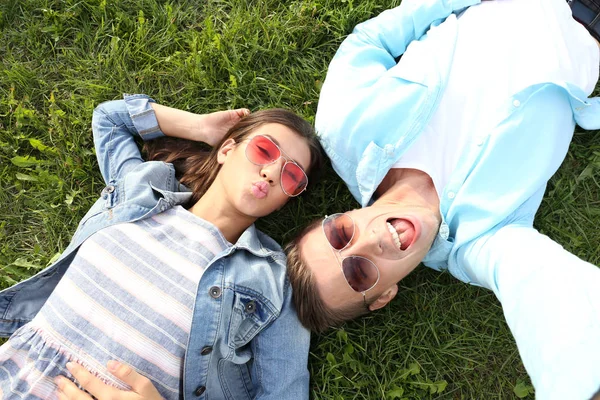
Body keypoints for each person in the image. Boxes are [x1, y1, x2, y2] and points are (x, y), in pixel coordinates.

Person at [285, 0, 600, 399]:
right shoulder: (478, 243)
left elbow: (370, 41)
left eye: (340, 234)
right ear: (384, 297)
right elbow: (538, 282)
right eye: (359, 273)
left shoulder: (345, 130)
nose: (371, 241)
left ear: (338, 215)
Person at [0, 94, 323, 399]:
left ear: (286, 200)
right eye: (264, 151)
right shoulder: (144, 190)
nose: (270, 172)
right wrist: (200, 127)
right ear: (227, 150)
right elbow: (109, 120)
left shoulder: (272, 280)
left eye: (291, 175)